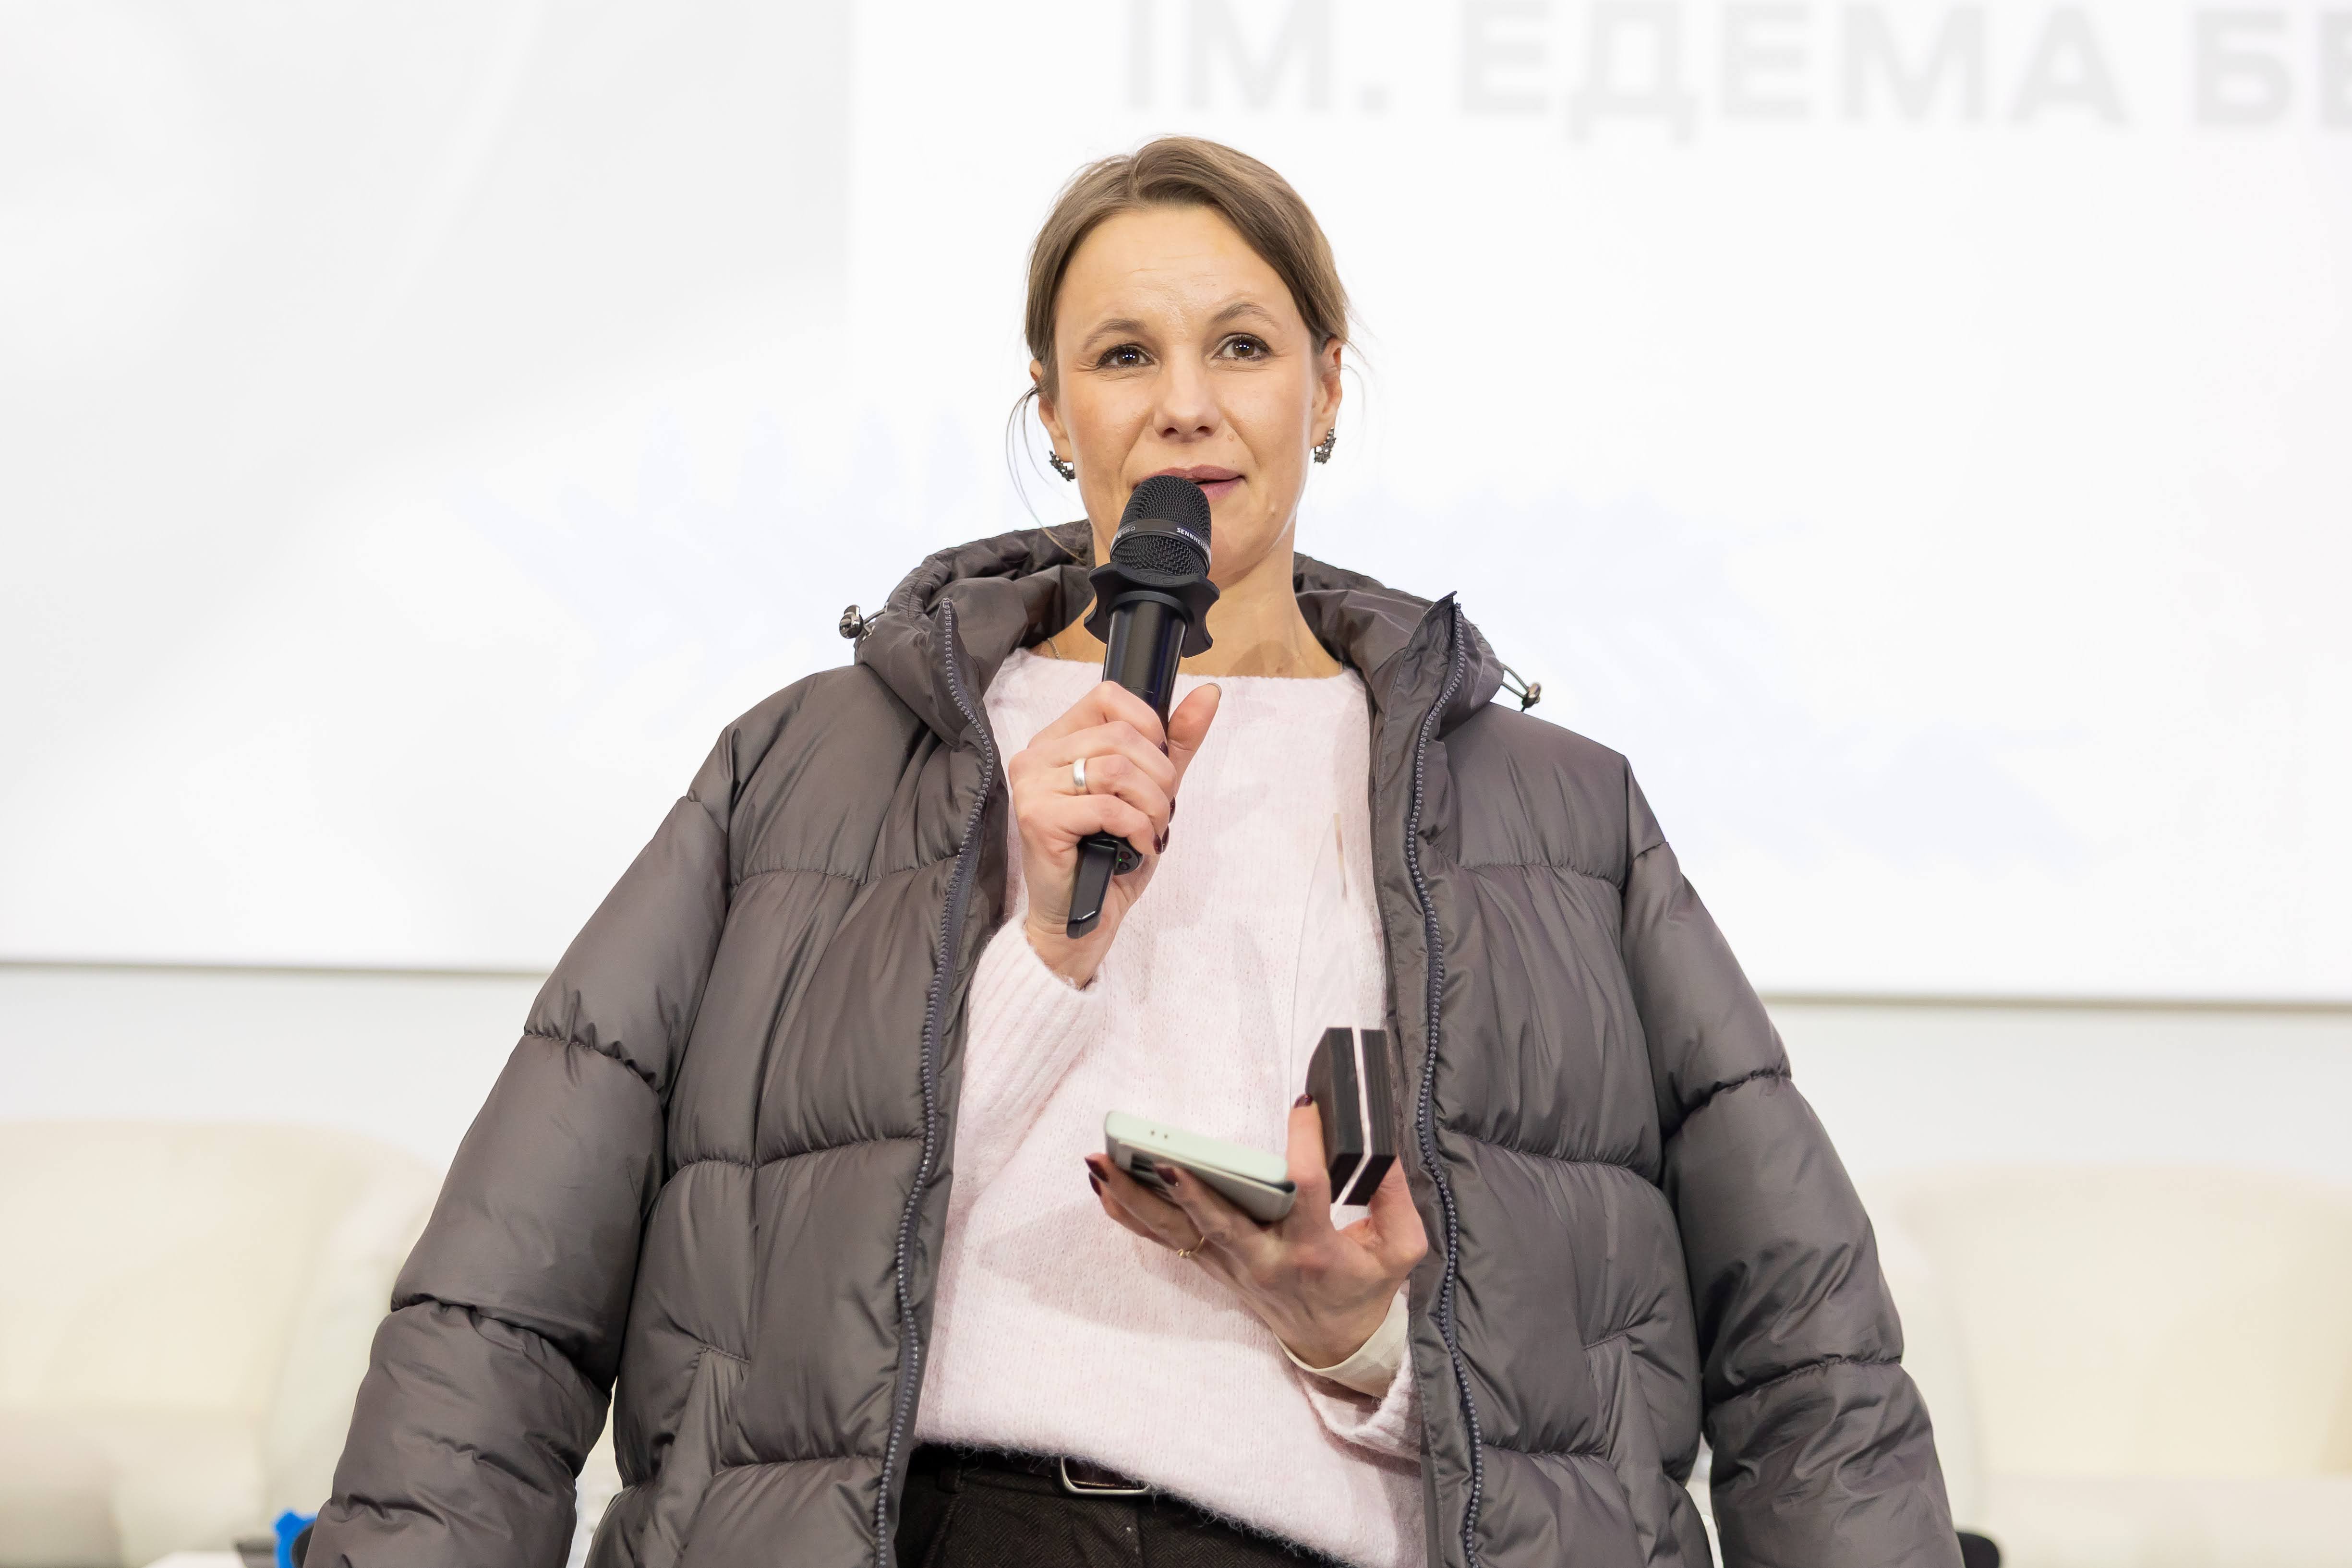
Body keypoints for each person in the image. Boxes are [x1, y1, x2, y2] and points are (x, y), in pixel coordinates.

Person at [307, 137, 1960, 1568]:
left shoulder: (1560, 813)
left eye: (1240, 344)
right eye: (1120, 354)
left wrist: (1361, 1345)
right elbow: (510, 1296)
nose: (1184, 405)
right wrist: (1040, 951)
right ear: (1051, 411)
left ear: (1325, 388)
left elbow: (1802, 1350)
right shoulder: (808, 767)